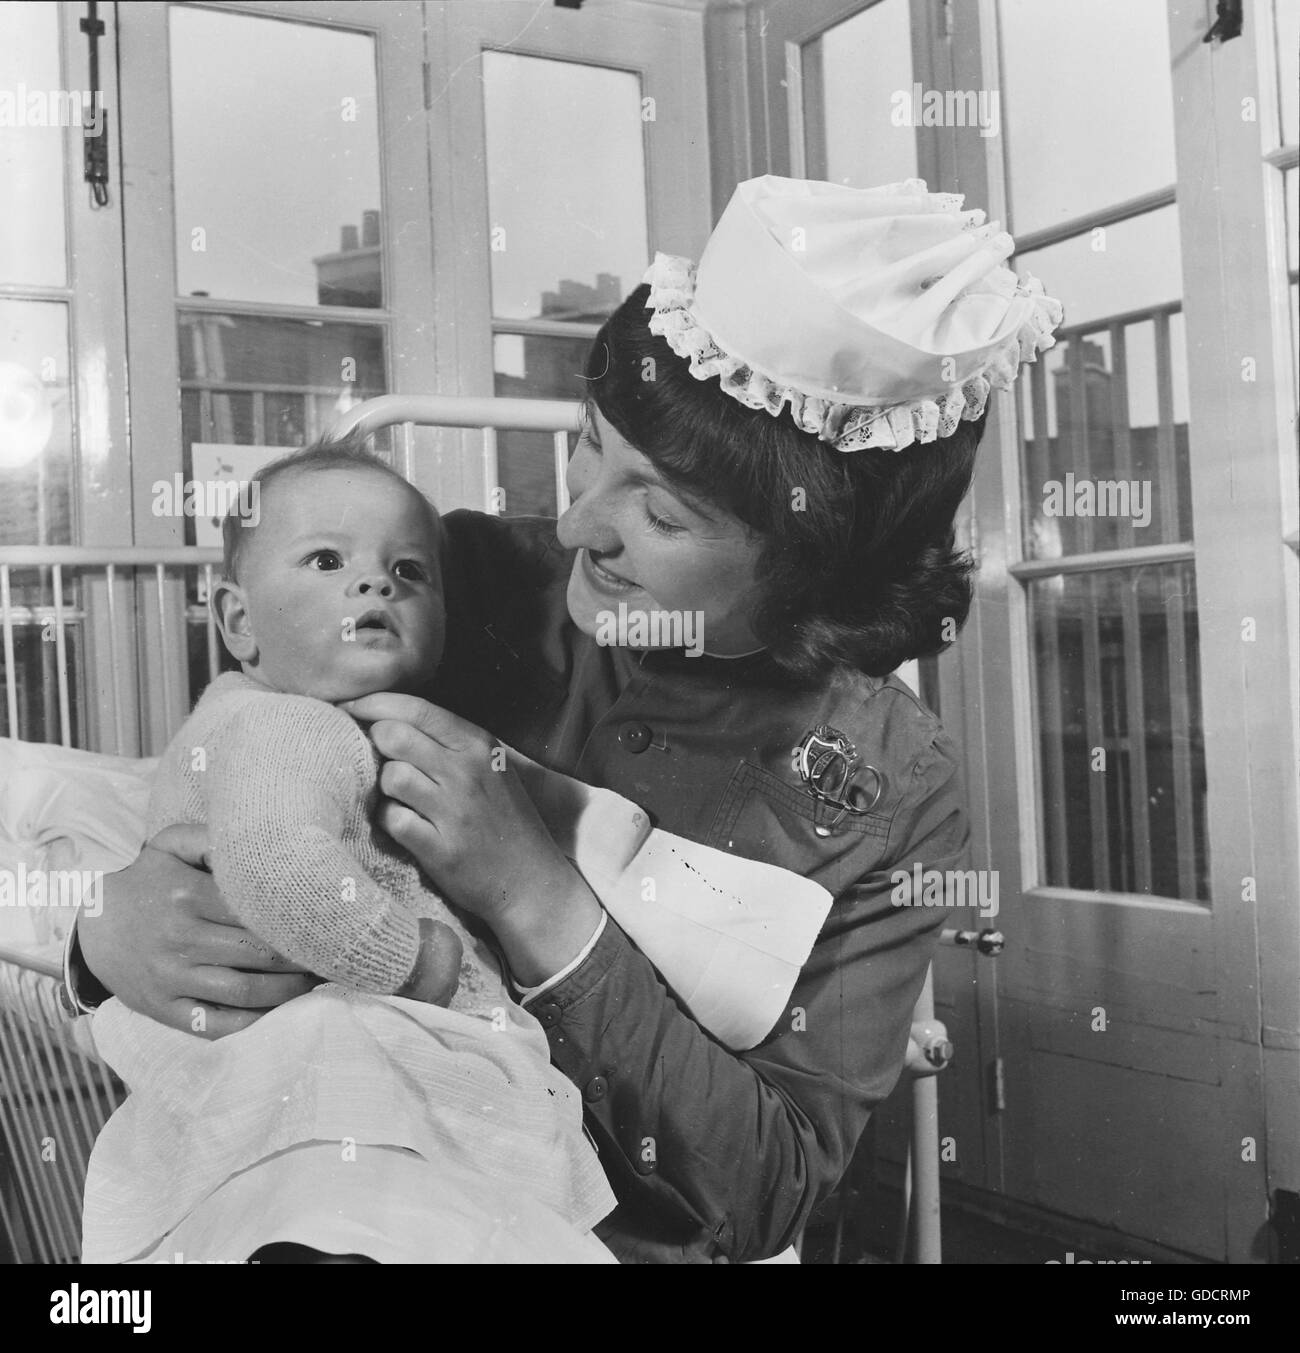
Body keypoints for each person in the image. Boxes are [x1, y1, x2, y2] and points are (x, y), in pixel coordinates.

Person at [70, 176, 1062, 1263]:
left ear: (812, 573)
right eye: (591, 445)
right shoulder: (455, 586)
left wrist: (536, 897)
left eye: (662, 509)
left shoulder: (891, 787)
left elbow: (769, 1191)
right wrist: (101, 936)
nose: (581, 519)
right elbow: (230, 782)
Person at [79, 443, 617, 1264]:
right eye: (327, 560)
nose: (375, 584)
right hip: (328, 1086)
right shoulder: (295, 727)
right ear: (238, 623)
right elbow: (275, 864)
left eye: (408, 570)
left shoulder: (247, 722)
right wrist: (421, 964)